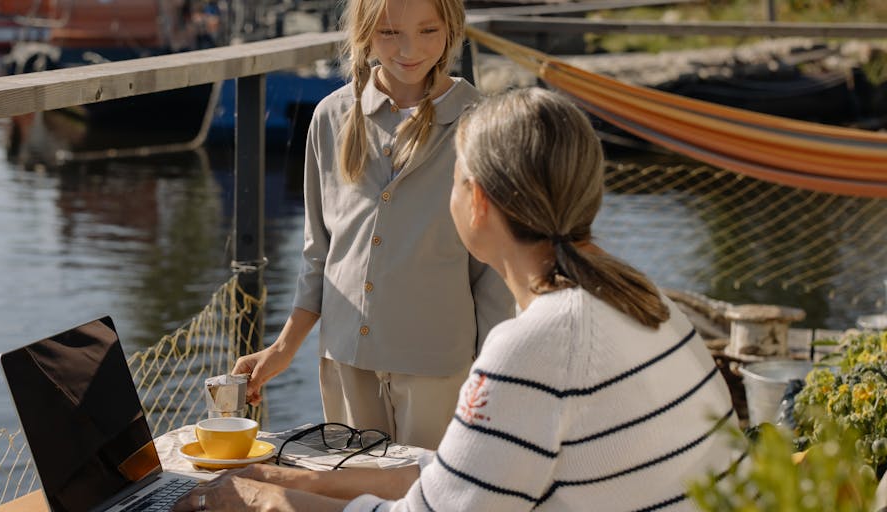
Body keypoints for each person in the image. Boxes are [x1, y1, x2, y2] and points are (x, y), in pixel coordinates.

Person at [174, 87, 739, 511]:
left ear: (480, 205)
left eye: (455, 177)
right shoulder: (642, 301)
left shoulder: (535, 348)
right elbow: (455, 476)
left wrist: (248, 500)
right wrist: (285, 479)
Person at [231, 0, 513, 450]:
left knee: (428, 495)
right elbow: (319, 253)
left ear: (451, 28)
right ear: (364, 33)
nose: (409, 49)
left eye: (427, 30)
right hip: (345, 361)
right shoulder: (329, 117)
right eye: (389, 33)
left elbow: (495, 271)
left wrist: (496, 371)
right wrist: (282, 349)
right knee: (354, 493)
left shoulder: (482, 125)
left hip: (437, 364)